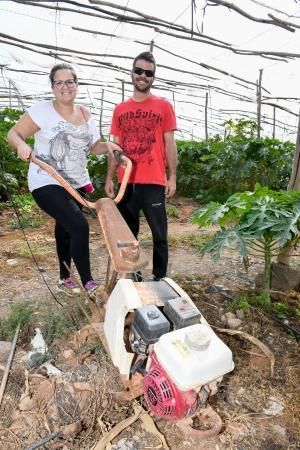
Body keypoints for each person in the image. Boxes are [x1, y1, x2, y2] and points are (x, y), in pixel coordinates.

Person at [7, 63, 122, 295]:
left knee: (65, 226)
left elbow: (93, 147)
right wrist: (21, 145)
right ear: (52, 87)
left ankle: (64, 277)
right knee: (78, 224)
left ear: (76, 85)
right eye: (59, 82)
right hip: (46, 179)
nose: (65, 86)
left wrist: (107, 146)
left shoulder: (85, 113)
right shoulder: (41, 110)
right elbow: (14, 133)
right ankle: (88, 282)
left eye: (69, 81)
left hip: (77, 182)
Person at [105, 52, 177, 281]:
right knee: (128, 233)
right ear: (132, 73)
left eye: (149, 73)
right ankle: (133, 276)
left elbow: (169, 143)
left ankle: (159, 277)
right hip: (126, 182)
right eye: (139, 71)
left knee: (159, 234)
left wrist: (172, 176)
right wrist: (109, 178)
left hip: (154, 180)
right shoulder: (120, 109)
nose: (143, 76)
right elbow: (114, 147)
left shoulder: (163, 106)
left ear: (153, 78)